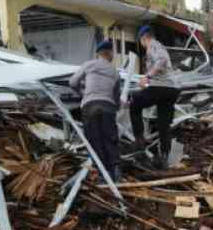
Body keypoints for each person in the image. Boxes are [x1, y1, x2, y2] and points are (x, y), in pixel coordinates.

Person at [69, 39, 122, 181]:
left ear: (98, 54)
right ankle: (115, 170)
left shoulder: (89, 65)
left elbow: (72, 82)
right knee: (110, 139)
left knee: (95, 141)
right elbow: (117, 97)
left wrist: (83, 93)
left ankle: (102, 175)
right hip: (108, 107)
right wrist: (117, 107)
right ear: (109, 54)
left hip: (90, 106)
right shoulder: (115, 72)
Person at [129, 25, 180, 169]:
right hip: (172, 90)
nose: (142, 45)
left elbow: (162, 60)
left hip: (161, 87)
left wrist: (147, 76)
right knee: (163, 124)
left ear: (144, 38)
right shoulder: (158, 46)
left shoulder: (153, 45)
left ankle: (139, 140)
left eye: (141, 41)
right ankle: (164, 157)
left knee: (135, 103)